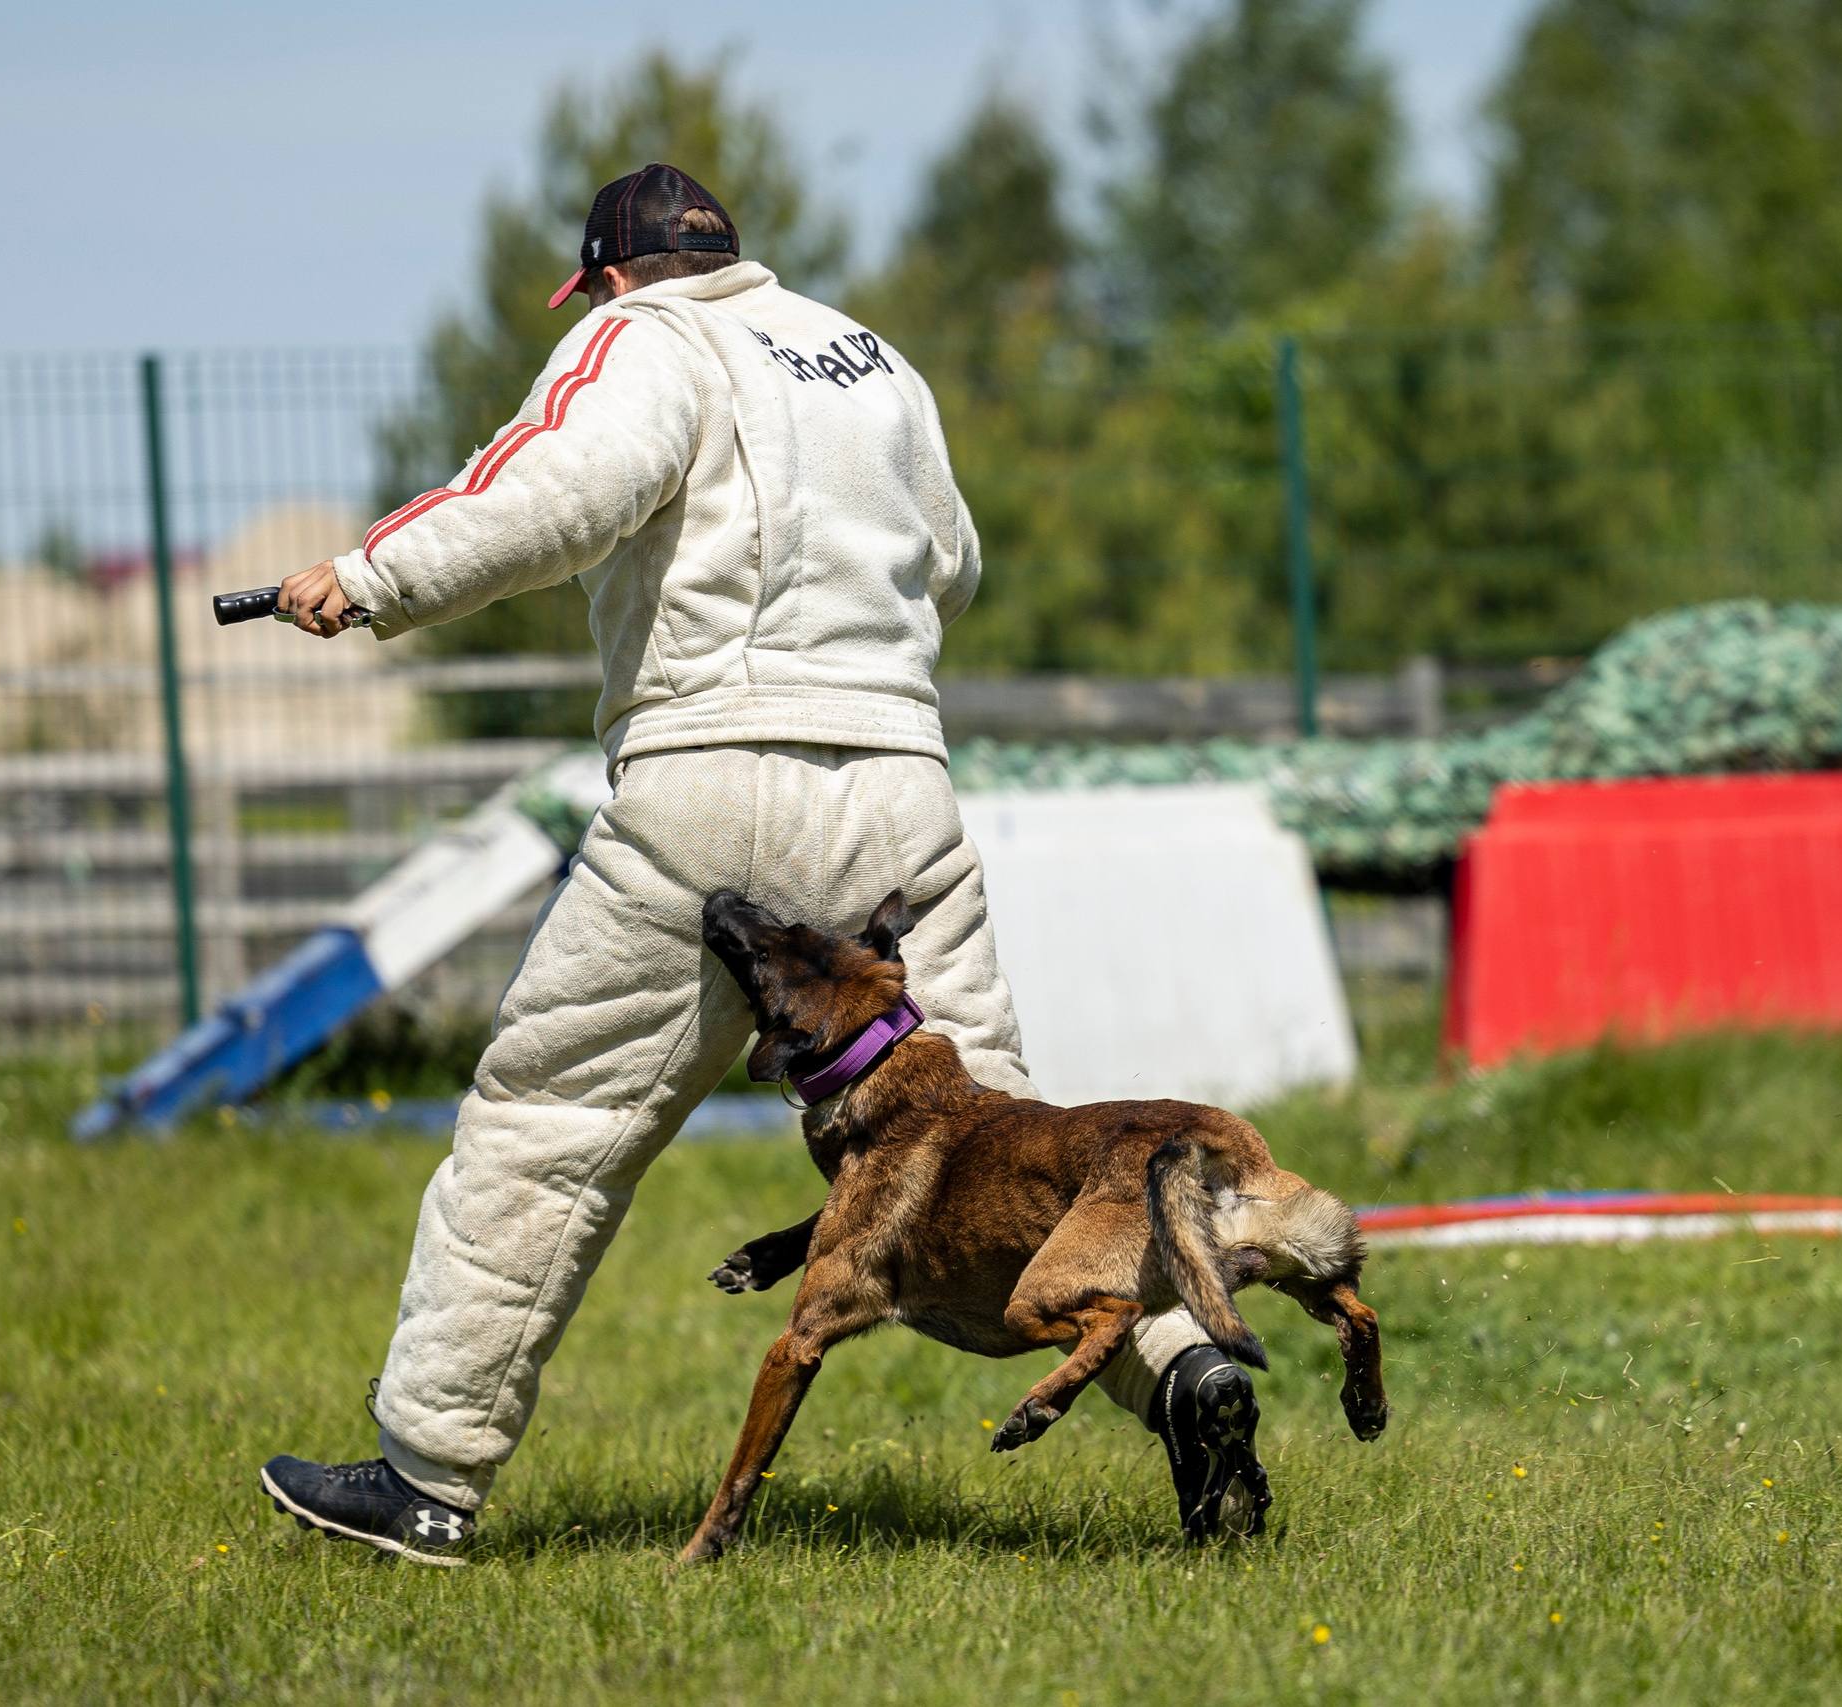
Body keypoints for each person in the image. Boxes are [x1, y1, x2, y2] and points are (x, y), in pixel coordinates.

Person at [257, 163, 1267, 1564]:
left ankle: (425, 1477)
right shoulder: (873, 359)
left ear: (610, 276)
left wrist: (375, 574)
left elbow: (555, 486)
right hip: (900, 788)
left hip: (710, 780)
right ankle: (1179, 1370)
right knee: (1011, 1149)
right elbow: (952, 565)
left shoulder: (642, 341)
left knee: (548, 1129)